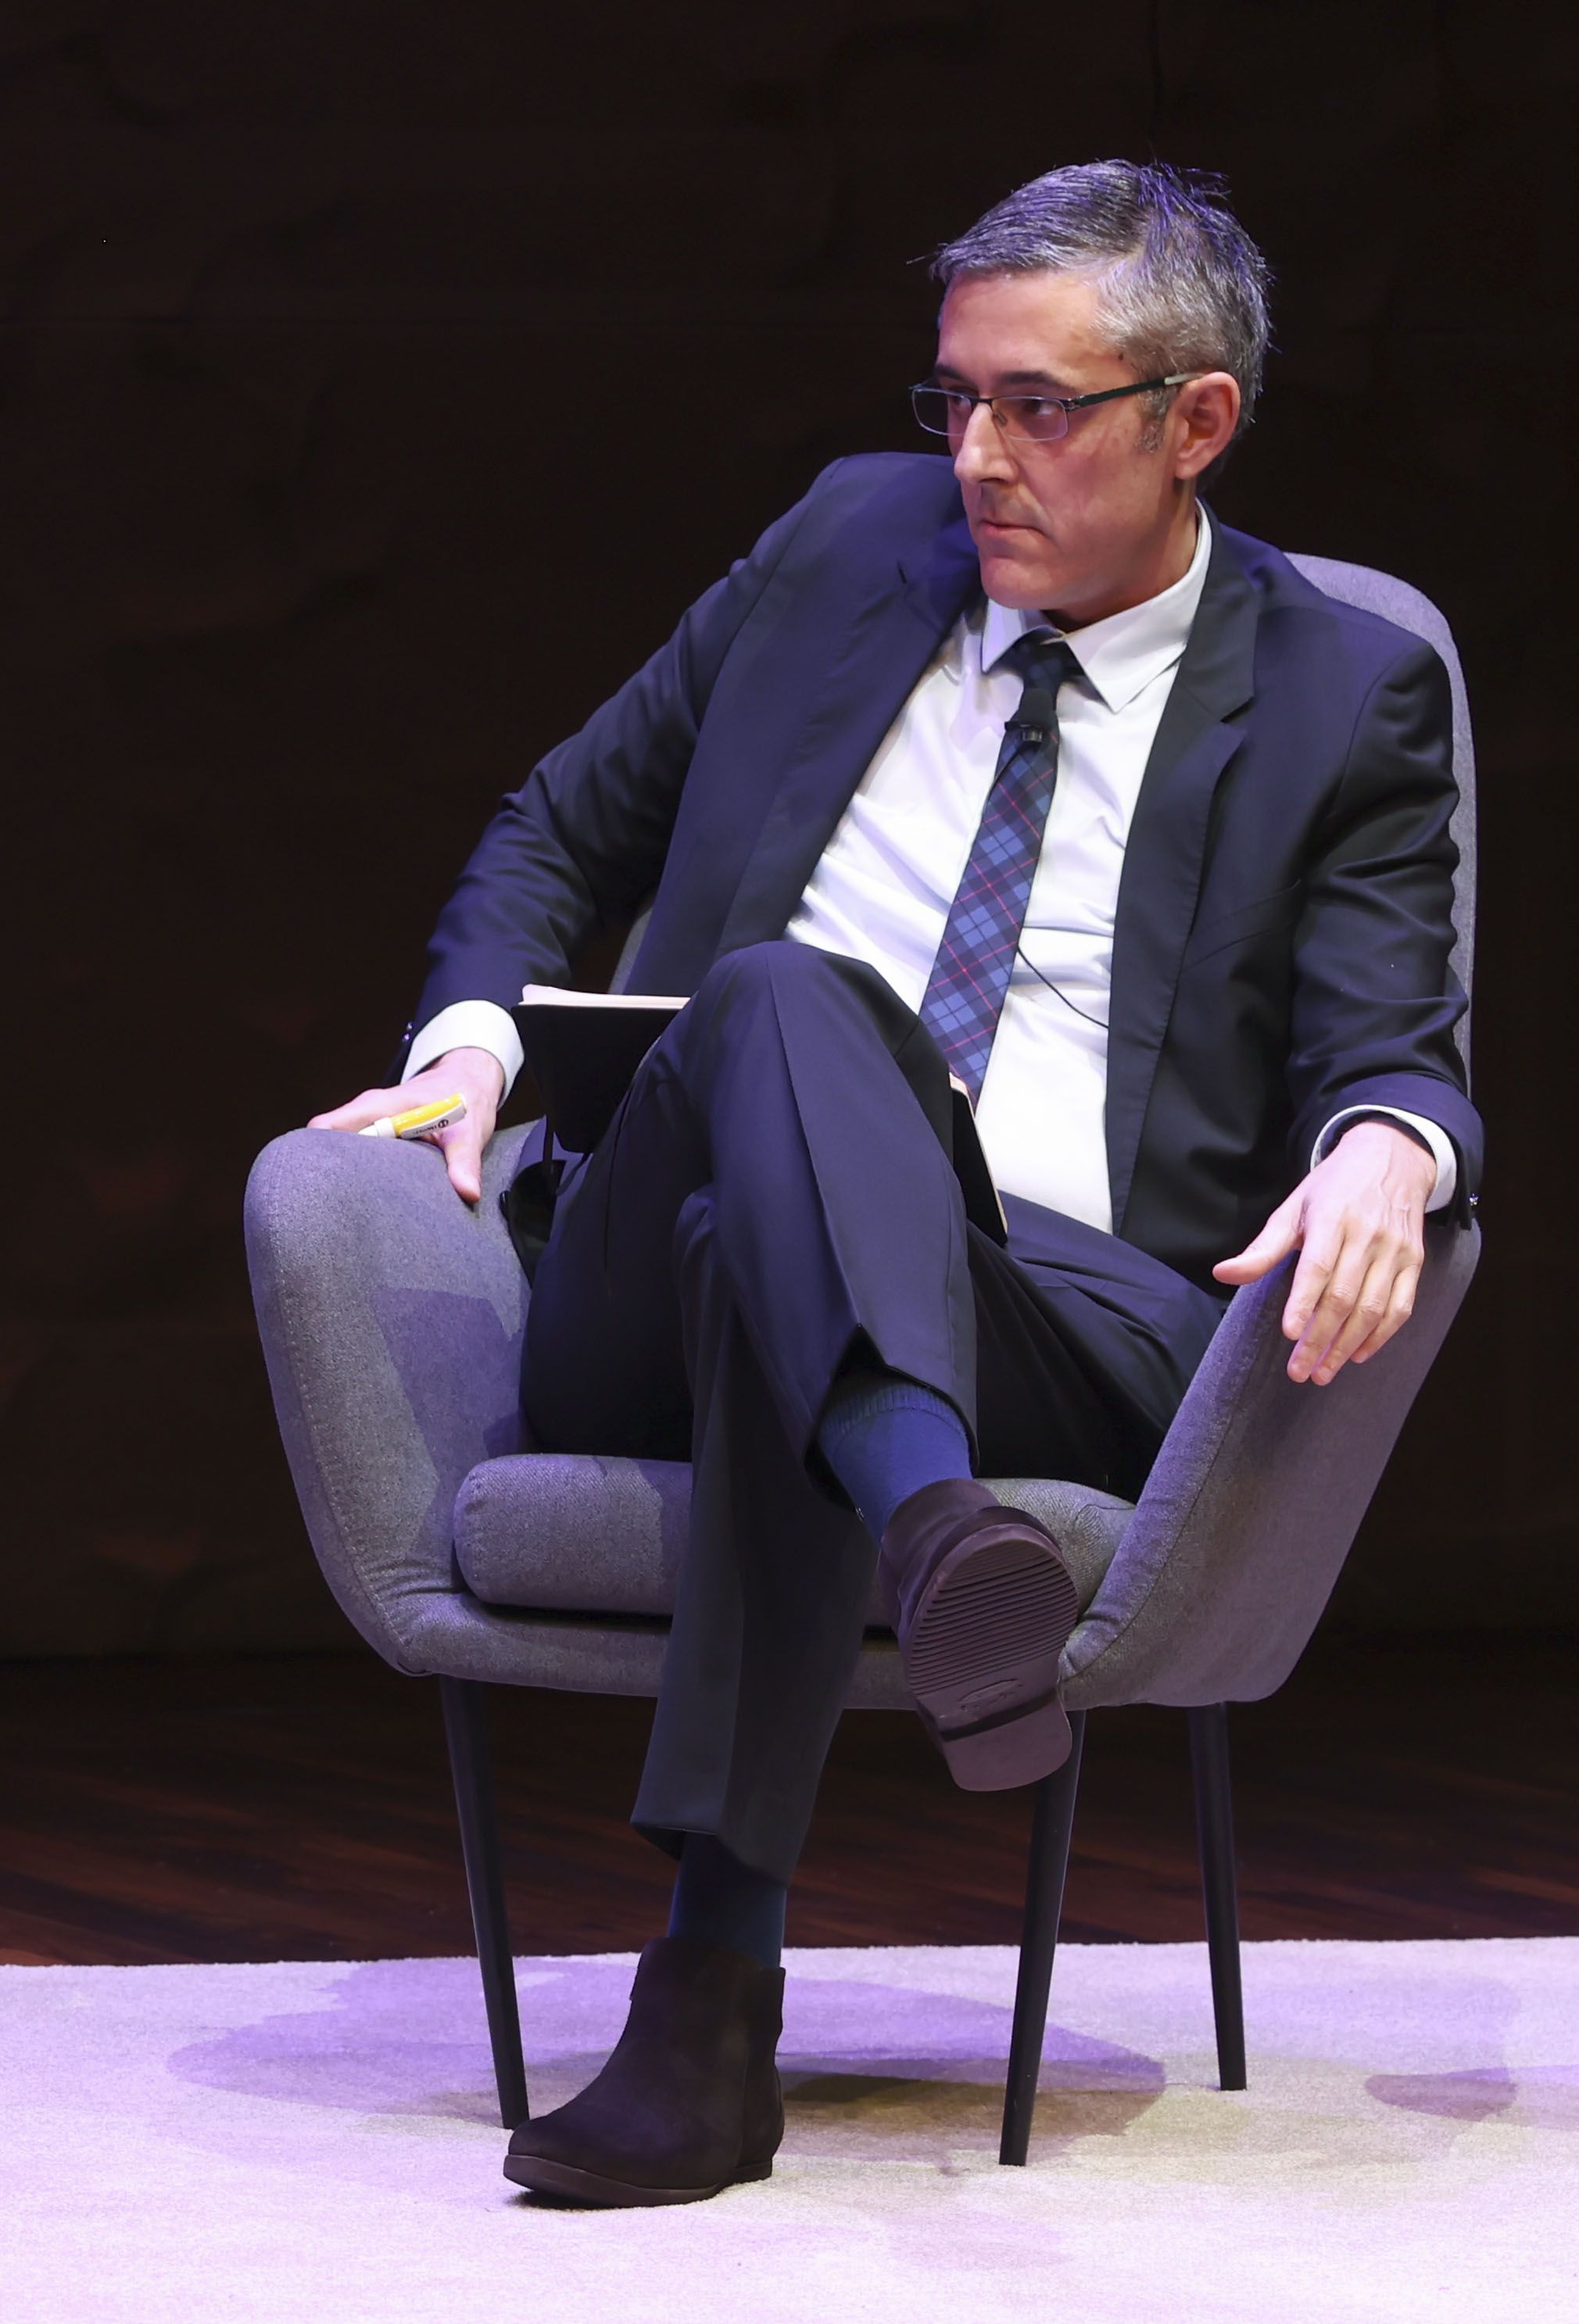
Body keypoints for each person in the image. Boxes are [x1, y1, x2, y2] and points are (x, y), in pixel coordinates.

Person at [307, 163, 1476, 2206]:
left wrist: (1393, 1144)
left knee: (772, 1250)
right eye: (951, 399)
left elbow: (1392, 1027)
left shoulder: (1332, 687)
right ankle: (931, 1531)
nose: (972, 456)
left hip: (1061, 1304)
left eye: (1037, 408)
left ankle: (711, 1998)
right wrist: (468, 1045)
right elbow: (550, 831)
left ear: (1193, 422)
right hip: (647, 1289)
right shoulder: (841, 546)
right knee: (771, 1006)